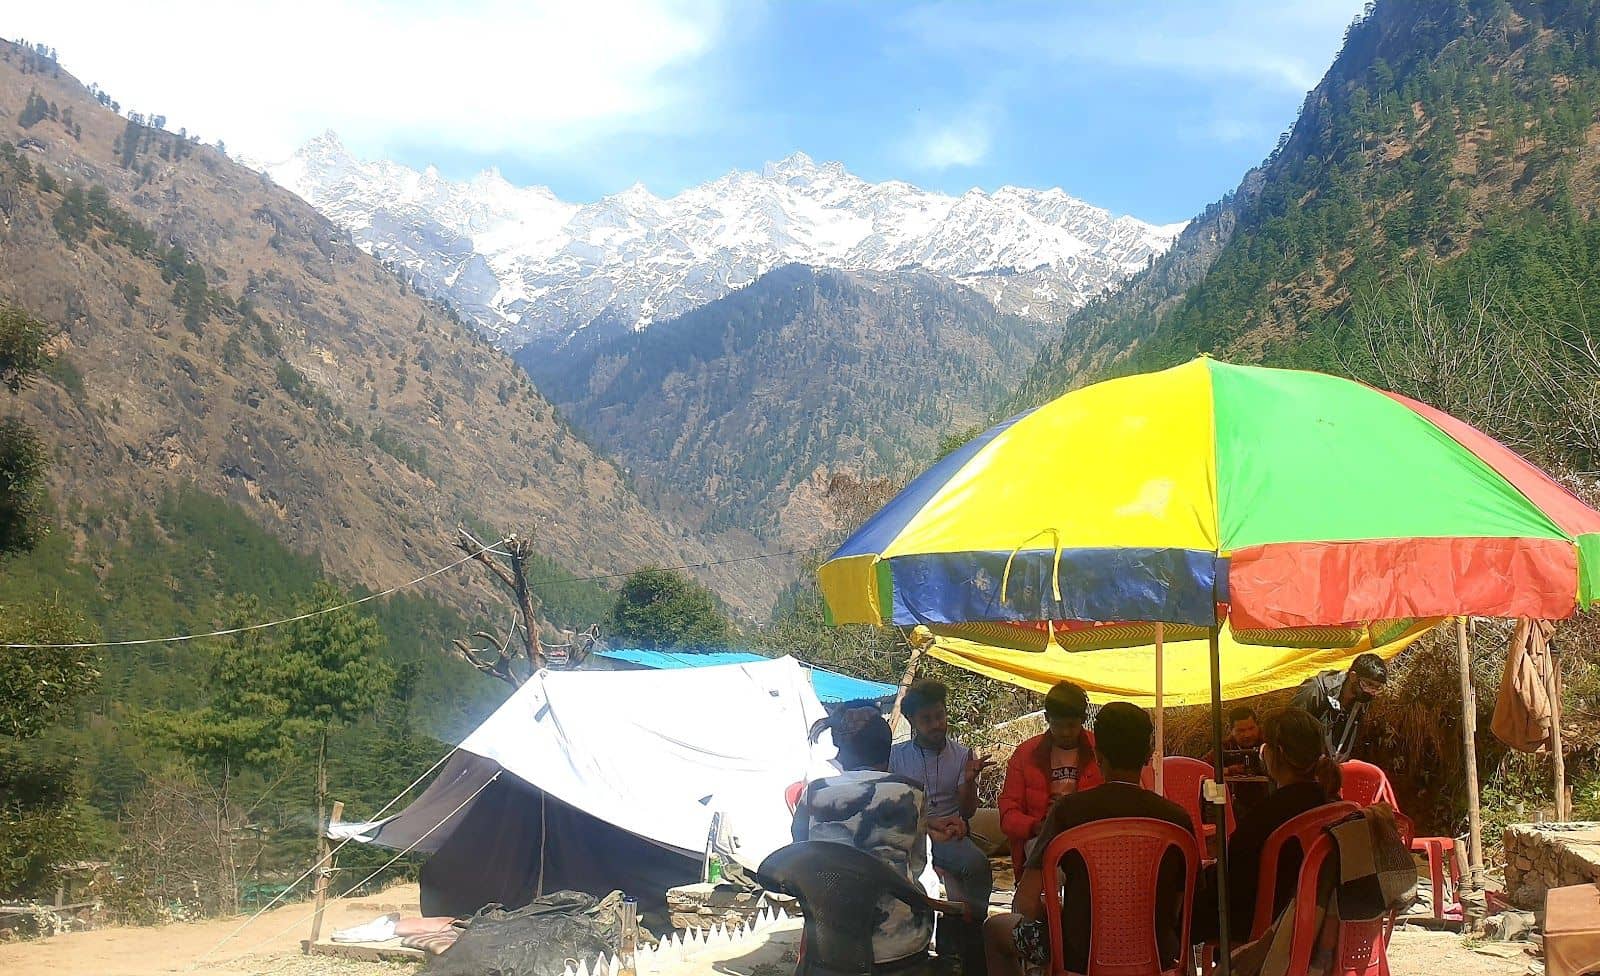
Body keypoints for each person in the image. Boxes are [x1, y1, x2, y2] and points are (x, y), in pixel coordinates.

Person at [984, 702, 1194, 976]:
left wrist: (1057, 914)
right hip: (1158, 955)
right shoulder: (1177, 818)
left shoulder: (1068, 812)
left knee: (994, 930)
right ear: (1146, 756)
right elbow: (1180, 908)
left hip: (1076, 957)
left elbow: (1026, 901)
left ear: (1098, 756)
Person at [793, 707, 934, 966]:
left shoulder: (814, 792)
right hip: (898, 942)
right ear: (887, 751)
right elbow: (916, 864)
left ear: (841, 755)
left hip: (830, 941)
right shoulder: (911, 793)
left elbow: (800, 850)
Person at [1195, 706, 1343, 944]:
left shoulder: (1266, 818)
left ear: (1276, 753)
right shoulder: (1338, 807)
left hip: (1269, 939)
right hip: (1323, 935)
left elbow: (1231, 888)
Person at [889, 680, 994, 975]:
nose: (937, 724)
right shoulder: (896, 756)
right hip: (911, 835)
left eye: (940, 715)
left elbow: (968, 810)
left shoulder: (962, 755)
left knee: (977, 864)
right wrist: (926, 825)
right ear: (912, 722)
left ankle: (972, 933)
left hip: (950, 835)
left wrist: (971, 780)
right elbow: (894, 806)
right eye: (927, 719)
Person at [998, 681, 1105, 860]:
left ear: (1084, 720)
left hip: (1089, 835)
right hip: (1040, 837)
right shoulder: (1025, 754)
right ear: (1047, 718)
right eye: (1058, 725)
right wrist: (1035, 827)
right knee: (1044, 858)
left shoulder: (1100, 750)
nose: (1065, 732)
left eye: (1071, 725)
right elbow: (1008, 811)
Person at [1291, 652, 1388, 761]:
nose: (1372, 692)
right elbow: (1289, 733)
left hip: (1329, 767)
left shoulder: (1362, 698)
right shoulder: (1316, 690)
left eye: (1377, 688)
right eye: (1368, 684)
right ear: (1353, 676)